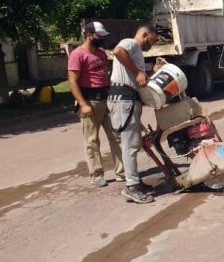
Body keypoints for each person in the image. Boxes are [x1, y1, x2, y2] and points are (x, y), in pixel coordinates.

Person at [108, 25, 164, 203]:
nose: (152, 45)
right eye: (152, 40)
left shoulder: (137, 52)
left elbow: (139, 79)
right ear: (145, 34)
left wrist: (151, 71)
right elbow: (117, 51)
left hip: (130, 99)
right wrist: (138, 72)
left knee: (134, 143)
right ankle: (131, 187)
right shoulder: (130, 43)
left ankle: (135, 182)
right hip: (124, 99)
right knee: (130, 145)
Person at [67, 21, 124, 187]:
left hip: (107, 99)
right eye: (99, 36)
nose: (102, 39)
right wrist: (83, 104)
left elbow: (105, 75)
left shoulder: (101, 53)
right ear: (89, 35)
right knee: (92, 141)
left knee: (117, 136)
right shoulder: (77, 55)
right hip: (90, 101)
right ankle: (96, 174)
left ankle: (122, 172)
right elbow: (72, 82)